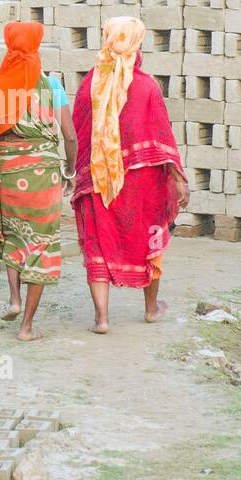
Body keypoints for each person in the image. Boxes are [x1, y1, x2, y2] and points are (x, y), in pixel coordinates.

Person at [71, 17, 189, 334]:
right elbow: (162, 135)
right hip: (144, 184)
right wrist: (177, 176)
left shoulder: (89, 86)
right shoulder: (148, 86)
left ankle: (102, 319)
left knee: (98, 243)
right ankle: (150, 309)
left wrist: (77, 173)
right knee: (150, 241)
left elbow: (78, 131)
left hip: (99, 179)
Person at [0, 21, 77, 342]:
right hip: (42, 173)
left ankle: (14, 298)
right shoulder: (51, 86)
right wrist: (69, 170)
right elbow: (69, 135)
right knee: (41, 244)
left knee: (13, 235)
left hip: (4, 174)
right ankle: (27, 327)